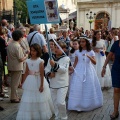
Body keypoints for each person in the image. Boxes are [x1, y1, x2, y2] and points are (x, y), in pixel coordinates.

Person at [16, 43, 54, 120]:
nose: (32, 52)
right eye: (31, 50)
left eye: (34, 51)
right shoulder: (27, 61)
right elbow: (26, 72)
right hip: (30, 80)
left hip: (38, 80)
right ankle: (30, 114)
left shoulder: (40, 61)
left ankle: (40, 113)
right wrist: (23, 82)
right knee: (29, 97)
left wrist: (41, 85)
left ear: (38, 51)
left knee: (39, 97)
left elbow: (42, 74)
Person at [68, 37, 103, 111]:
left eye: (83, 42)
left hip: (88, 69)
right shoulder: (77, 52)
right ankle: (78, 104)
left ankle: (89, 103)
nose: (81, 43)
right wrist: (73, 70)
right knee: (78, 86)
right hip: (79, 69)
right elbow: (76, 62)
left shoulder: (91, 52)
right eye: (80, 42)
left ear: (86, 42)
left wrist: (89, 56)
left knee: (88, 85)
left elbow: (95, 62)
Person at [45, 41, 70, 120]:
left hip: (62, 83)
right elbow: (46, 68)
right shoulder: (51, 58)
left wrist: (55, 65)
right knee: (55, 102)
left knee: (60, 102)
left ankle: (63, 117)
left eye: (58, 48)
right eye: (55, 47)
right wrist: (49, 73)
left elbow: (64, 70)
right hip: (53, 83)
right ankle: (57, 116)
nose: (56, 49)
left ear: (63, 49)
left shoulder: (66, 58)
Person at [7, 30, 28, 103]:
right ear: (19, 37)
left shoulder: (10, 44)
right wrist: (26, 56)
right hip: (17, 66)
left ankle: (14, 96)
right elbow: (21, 59)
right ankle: (14, 97)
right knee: (15, 83)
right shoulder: (17, 46)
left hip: (11, 65)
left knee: (14, 82)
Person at [101, 40, 120, 119]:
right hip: (116, 69)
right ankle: (115, 111)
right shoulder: (116, 43)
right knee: (116, 89)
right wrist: (104, 67)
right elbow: (109, 55)